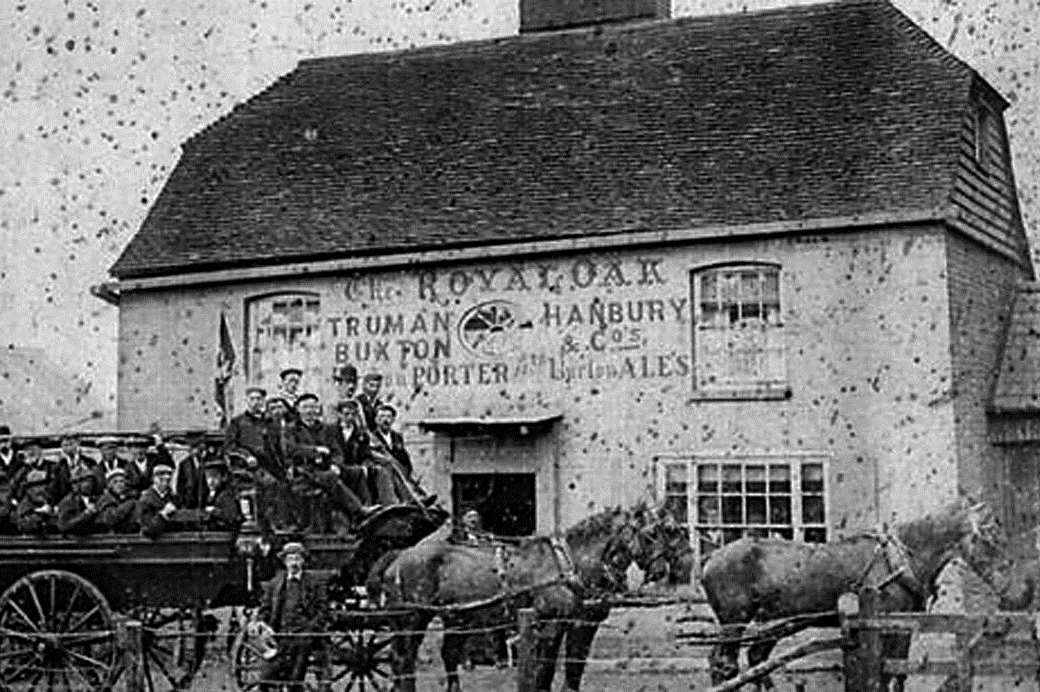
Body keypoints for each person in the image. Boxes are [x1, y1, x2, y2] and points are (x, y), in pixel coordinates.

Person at [287, 393, 376, 533]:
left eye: (313, 407)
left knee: (356, 472)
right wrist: (315, 450)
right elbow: (291, 449)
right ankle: (359, 510)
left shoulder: (325, 429)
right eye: (306, 407)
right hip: (305, 470)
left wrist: (336, 464)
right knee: (329, 477)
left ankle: (368, 514)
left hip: (326, 468)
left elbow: (337, 451)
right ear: (298, 409)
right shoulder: (290, 429)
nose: (310, 411)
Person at [252, 542, 329, 692]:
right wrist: (261, 622)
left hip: (303, 638)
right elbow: (265, 608)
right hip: (280, 637)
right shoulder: (276, 584)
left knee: (295, 680)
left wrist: (311, 629)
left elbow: (323, 610)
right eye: (290, 559)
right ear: (285, 561)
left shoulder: (314, 583)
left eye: (297, 559)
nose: (294, 563)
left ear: (303, 561)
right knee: (265, 680)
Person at [332, 400, 394, 506]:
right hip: (338, 466)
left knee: (379, 471)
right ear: (339, 414)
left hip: (356, 465)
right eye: (346, 414)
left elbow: (365, 454)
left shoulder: (360, 434)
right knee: (358, 472)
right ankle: (366, 505)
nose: (350, 417)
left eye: (353, 414)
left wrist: (366, 464)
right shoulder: (331, 431)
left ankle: (388, 503)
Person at [224, 386, 273, 472]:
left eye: (259, 399)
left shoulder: (269, 422)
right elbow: (230, 446)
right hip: (247, 467)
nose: (255, 402)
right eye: (252, 399)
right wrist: (247, 456)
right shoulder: (237, 422)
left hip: (269, 466)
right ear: (247, 401)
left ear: (263, 401)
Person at [137, 462, 179, 539]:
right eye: (161, 480)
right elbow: (147, 529)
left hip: (172, 541)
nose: (165, 484)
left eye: (168, 480)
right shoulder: (146, 499)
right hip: (152, 544)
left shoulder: (174, 498)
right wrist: (163, 514)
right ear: (154, 479)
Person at [201, 458, 244, 531]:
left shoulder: (226, 494)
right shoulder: (209, 494)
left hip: (224, 532)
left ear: (224, 477)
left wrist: (214, 511)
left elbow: (231, 516)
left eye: (215, 476)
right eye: (208, 477)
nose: (211, 481)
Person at [52, 434, 97, 502]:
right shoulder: (58, 466)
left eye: (71, 444)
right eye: (65, 445)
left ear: (77, 444)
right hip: (67, 501)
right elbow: (56, 487)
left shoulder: (89, 462)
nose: (69, 447)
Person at [56, 466, 100, 535]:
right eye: (85, 481)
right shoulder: (68, 501)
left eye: (91, 481)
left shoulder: (98, 499)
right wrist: (84, 515)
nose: (89, 485)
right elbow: (63, 525)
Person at [96, 468, 138, 533]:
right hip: (108, 538)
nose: (119, 484)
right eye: (115, 482)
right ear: (110, 485)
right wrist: (130, 503)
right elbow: (111, 519)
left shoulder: (126, 497)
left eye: (121, 481)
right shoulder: (105, 499)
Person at [15, 470, 57, 535]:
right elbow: (26, 526)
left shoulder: (49, 503)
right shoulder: (24, 507)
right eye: (37, 486)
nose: (42, 489)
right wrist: (41, 513)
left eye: (44, 485)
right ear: (28, 490)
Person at [175, 433, 209, 510]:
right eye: (193, 447)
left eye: (197, 447)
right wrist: (182, 502)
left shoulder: (207, 462)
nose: (195, 450)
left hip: (204, 503)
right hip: (189, 503)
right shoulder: (184, 464)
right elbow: (180, 486)